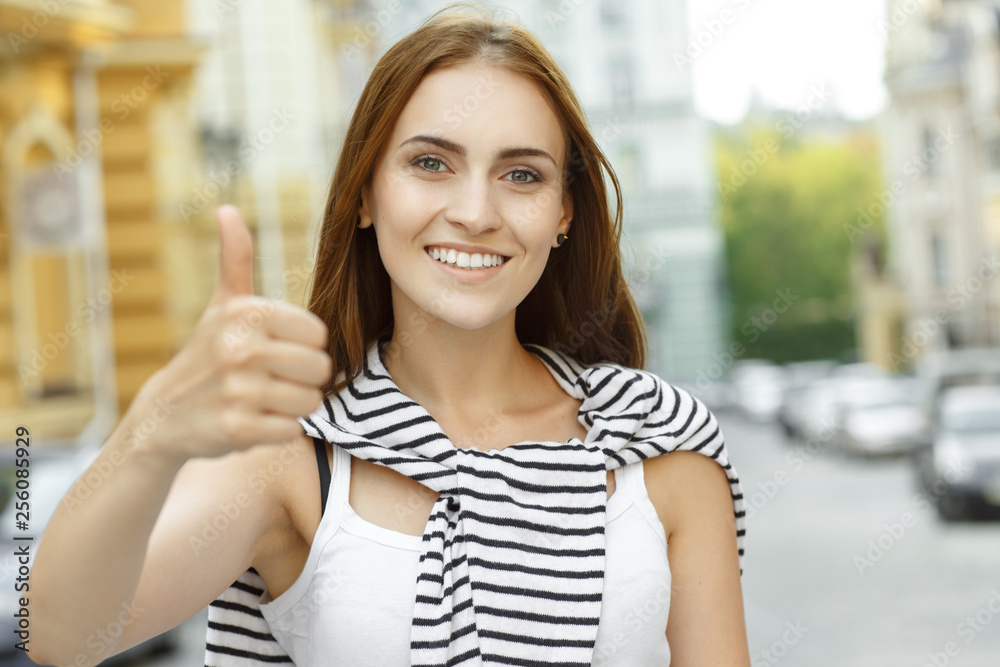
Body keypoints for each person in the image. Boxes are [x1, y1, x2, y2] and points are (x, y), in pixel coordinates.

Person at [27, 3, 750, 666]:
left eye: (521, 175)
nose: (475, 211)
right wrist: (155, 430)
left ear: (565, 212)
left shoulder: (658, 439)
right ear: (367, 193)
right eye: (431, 163)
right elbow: (59, 635)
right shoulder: (293, 450)